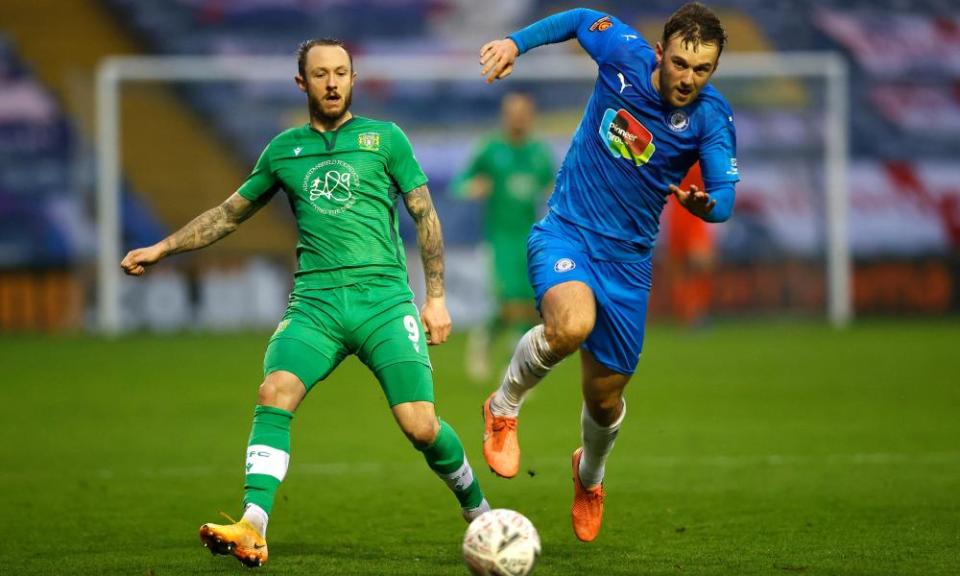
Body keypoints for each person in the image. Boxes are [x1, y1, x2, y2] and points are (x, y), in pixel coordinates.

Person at [120, 38, 489, 568]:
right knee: (275, 392)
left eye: (341, 72)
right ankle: (254, 524)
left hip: (383, 301)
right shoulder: (282, 151)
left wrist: (435, 298)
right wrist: (163, 247)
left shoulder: (385, 139)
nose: (333, 82)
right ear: (303, 83)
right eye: (321, 74)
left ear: (354, 78)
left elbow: (425, 215)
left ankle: (477, 510)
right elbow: (228, 215)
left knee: (420, 426)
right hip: (314, 305)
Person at [477, 3, 739, 542]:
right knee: (569, 327)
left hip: (629, 263)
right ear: (660, 52)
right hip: (566, 231)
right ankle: (502, 406)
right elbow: (577, 17)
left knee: (604, 399)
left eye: (703, 69)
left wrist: (705, 205)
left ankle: (588, 477)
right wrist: (513, 44)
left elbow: (726, 196)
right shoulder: (620, 52)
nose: (689, 79)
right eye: (681, 64)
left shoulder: (711, 116)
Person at [454, 92, 555, 380]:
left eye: (523, 112)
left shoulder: (539, 153)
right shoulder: (491, 150)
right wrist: (473, 187)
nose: (518, 118)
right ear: (505, 116)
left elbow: (554, 187)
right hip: (499, 239)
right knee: (509, 300)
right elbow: (459, 183)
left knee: (529, 303)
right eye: (513, 112)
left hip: (529, 238)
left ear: (531, 116)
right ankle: (499, 351)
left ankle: (511, 361)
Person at [664, 162, 716, 327]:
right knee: (680, 269)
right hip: (678, 216)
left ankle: (697, 311)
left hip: (695, 216)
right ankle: (686, 314)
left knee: (701, 265)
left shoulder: (704, 152)